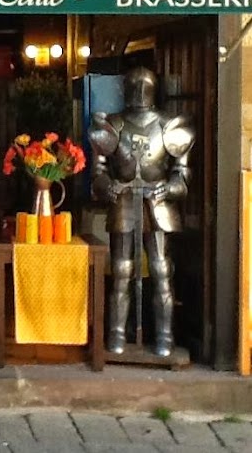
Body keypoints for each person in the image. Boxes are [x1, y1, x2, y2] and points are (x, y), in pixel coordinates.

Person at [88, 67, 195, 357]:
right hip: (123, 200)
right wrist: (107, 185)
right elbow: (97, 174)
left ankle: (164, 336)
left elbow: (182, 177)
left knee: (161, 270)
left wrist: (168, 189)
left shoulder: (170, 126)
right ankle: (117, 335)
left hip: (157, 203)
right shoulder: (111, 125)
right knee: (122, 271)